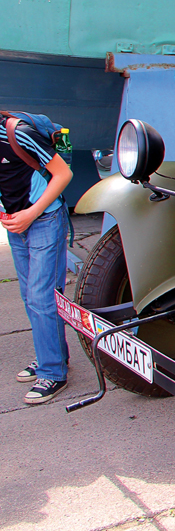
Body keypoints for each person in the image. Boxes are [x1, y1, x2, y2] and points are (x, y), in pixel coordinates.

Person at [1, 112, 73, 404]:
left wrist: (30, 214)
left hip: (44, 218)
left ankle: (53, 372)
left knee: (42, 296)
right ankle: (51, 354)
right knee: (29, 295)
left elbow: (63, 174)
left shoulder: (18, 133)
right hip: (16, 224)